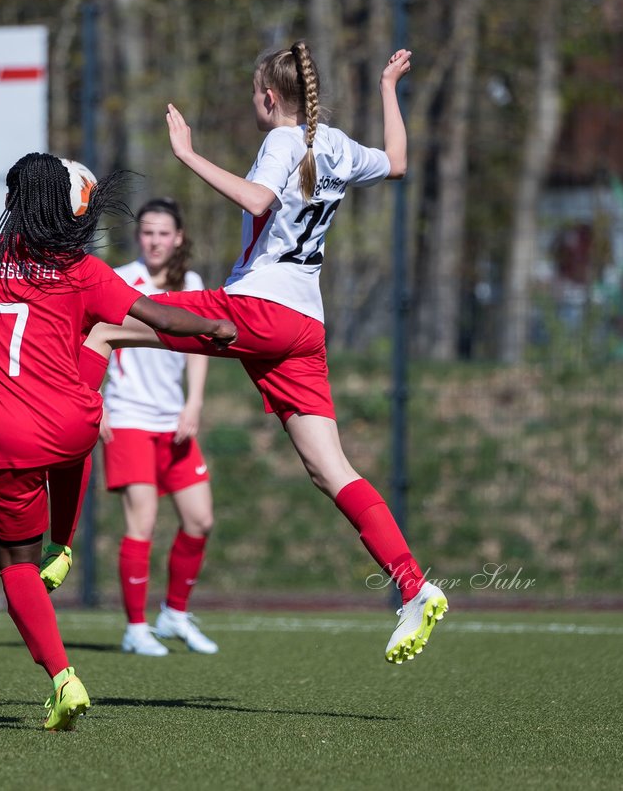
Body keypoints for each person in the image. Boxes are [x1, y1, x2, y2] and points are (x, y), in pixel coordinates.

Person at [84, 42, 448, 665]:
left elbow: (259, 201)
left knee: (104, 323)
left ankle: (56, 507)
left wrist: (188, 155)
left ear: (270, 97)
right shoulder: (333, 143)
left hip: (256, 308)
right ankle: (413, 584)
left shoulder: (283, 140)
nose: (254, 101)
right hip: (304, 325)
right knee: (331, 470)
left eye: (255, 93)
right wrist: (389, 86)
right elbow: (396, 162)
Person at [0, 152, 236, 731]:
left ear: (14, 205)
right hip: (75, 425)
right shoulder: (81, 269)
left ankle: (63, 679)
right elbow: (164, 317)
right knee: (93, 354)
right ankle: (63, 544)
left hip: (4, 436)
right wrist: (216, 328)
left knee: (15, 570)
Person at [100, 198, 219, 656]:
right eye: (147, 232)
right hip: (128, 417)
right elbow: (91, 337)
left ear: (179, 238)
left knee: (200, 519)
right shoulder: (120, 280)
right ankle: (135, 627)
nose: (154, 240)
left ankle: (173, 614)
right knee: (143, 523)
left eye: (163, 233)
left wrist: (194, 402)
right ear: (139, 237)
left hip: (174, 422)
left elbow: (199, 349)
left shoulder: (190, 282)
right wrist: (95, 400)